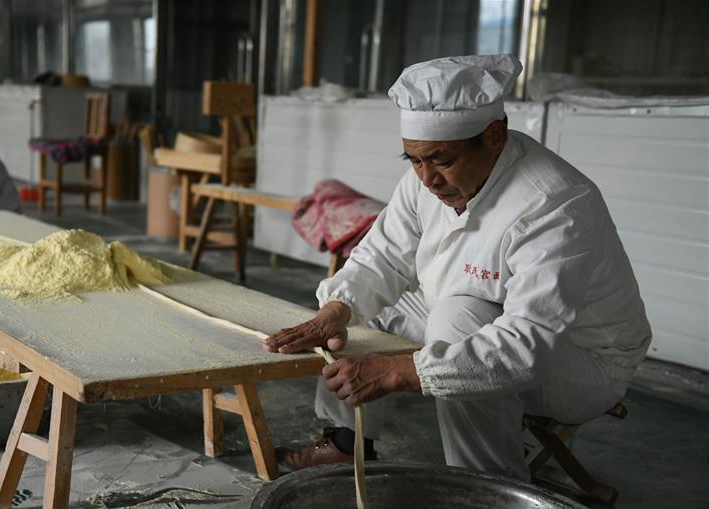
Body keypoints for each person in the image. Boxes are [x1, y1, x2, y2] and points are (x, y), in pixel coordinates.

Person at [263, 54, 651, 481]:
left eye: (442, 161)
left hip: (581, 357)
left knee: (456, 321)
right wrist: (335, 310)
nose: (427, 179)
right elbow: (383, 256)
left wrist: (399, 371)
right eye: (414, 160)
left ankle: (486, 489)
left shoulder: (555, 204)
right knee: (357, 315)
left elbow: (528, 344)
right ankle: (345, 443)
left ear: (494, 136)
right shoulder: (424, 181)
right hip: (474, 312)